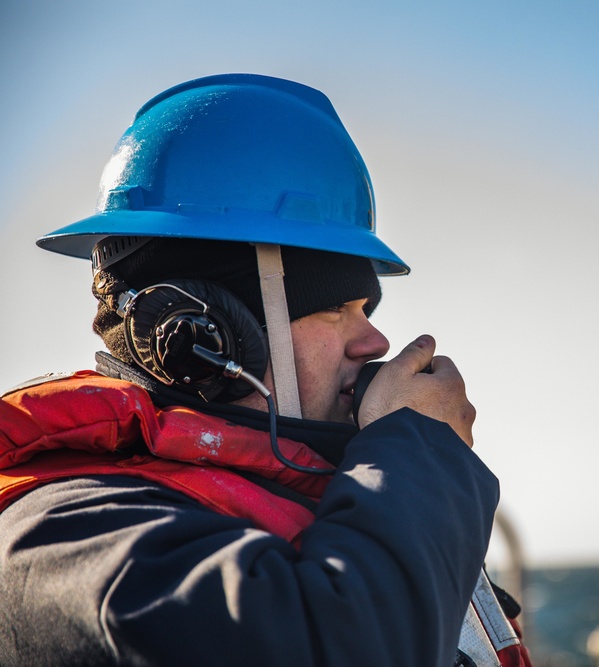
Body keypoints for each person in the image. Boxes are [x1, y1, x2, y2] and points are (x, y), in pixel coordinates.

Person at [0, 74, 531, 666]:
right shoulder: (63, 536)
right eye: (333, 308)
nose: (375, 340)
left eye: (366, 308)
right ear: (209, 333)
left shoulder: (346, 495)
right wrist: (421, 456)